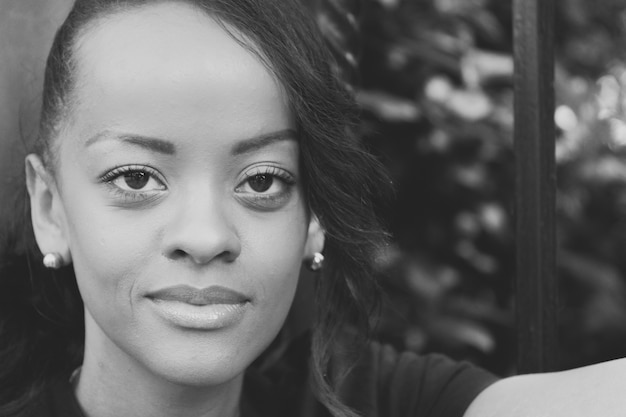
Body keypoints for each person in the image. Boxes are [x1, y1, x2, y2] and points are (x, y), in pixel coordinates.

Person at [2, 1, 626, 417]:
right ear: (51, 207)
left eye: (263, 181)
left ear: (315, 216)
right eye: (136, 177)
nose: (205, 235)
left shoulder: (365, 399)